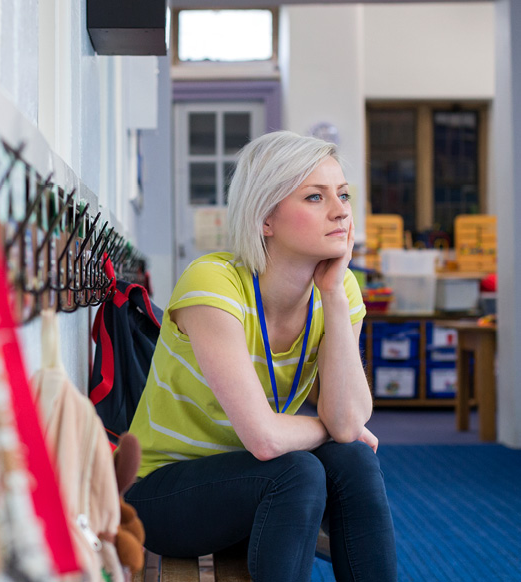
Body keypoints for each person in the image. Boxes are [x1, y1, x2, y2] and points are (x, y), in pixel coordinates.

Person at [125, 131, 397, 581]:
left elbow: (349, 424)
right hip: (163, 496)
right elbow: (265, 440)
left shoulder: (340, 287)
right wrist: (328, 430)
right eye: (315, 196)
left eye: (343, 194)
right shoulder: (212, 284)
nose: (341, 210)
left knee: (353, 461)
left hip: (259, 491)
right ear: (265, 218)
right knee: (297, 472)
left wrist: (331, 292)